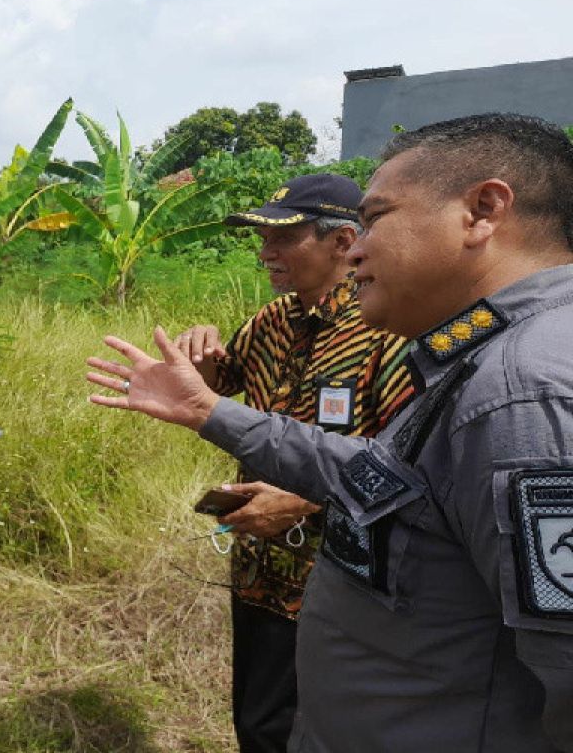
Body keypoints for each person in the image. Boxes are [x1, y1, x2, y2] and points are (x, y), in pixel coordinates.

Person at [87, 113, 573, 751]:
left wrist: (297, 498)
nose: (361, 247)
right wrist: (209, 403)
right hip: (283, 577)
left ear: (484, 210)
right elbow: (388, 476)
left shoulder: (523, 390)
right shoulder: (472, 356)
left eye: (377, 219)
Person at [174, 174, 414, 752]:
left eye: (284, 238)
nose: (266, 254)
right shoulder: (272, 320)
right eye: (262, 239)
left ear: (342, 241)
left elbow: (407, 466)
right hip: (258, 566)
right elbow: (221, 384)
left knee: (326, 727)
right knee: (258, 720)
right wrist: (199, 355)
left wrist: (308, 502)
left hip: (334, 580)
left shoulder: (385, 330)